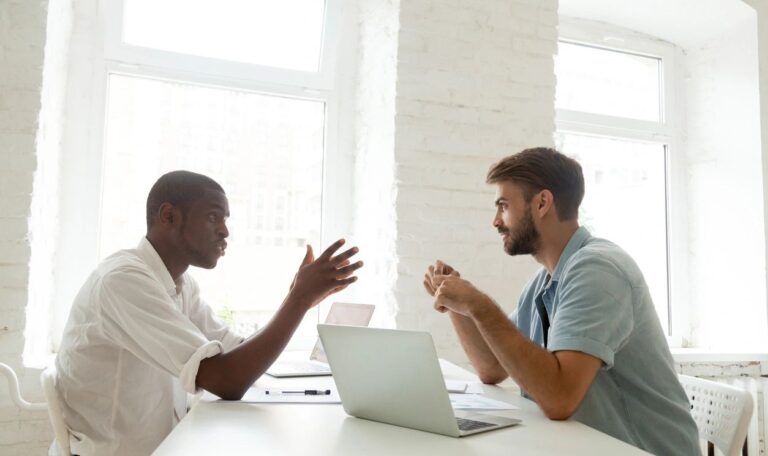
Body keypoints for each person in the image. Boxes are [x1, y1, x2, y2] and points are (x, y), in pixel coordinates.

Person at [55, 170, 363, 456]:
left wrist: (298, 299)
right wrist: (298, 300)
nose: (225, 231)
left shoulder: (179, 283)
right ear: (169, 216)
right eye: (213, 217)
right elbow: (227, 380)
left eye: (225, 219)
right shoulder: (124, 281)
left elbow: (234, 350)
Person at [423, 147, 699, 455]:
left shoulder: (598, 270)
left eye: (503, 206)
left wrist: (478, 305)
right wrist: (458, 304)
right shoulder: (545, 281)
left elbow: (559, 399)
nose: (496, 221)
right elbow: (492, 368)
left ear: (542, 203)